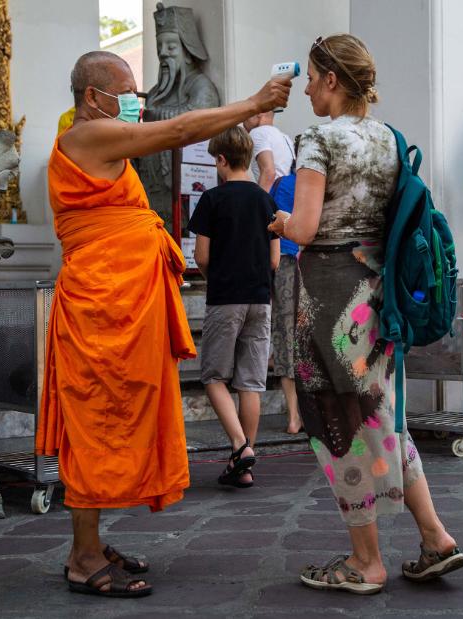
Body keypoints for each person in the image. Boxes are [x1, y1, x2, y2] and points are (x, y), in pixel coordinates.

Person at [37, 50, 288, 598]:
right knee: (94, 422)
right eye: (126, 91)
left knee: (114, 415)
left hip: (121, 304)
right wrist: (255, 104)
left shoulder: (103, 141)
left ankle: (92, 545)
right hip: (100, 306)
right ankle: (82, 557)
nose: (138, 101)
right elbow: (178, 130)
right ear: (92, 98)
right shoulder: (86, 137)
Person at [269, 34, 463, 595]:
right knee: (379, 412)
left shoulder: (317, 139)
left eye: (310, 76)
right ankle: (434, 538)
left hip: (328, 289)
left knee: (339, 419)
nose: (306, 86)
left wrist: (280, 222)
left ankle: (366, 561)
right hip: (375, 289)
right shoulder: (388, 137)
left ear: (332, 79)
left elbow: (305, 229)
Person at [188, 125, 280, 488]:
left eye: (215, 161)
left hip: (226, 297)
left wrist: (216, 277)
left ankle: (241, 448)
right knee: (251, 383)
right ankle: (246, 463)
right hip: (261, 299)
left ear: (222, 160)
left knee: (213, 377)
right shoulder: (265, 201)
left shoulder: (212, 199)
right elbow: (274, 261)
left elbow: (201, 255)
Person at [244, 112, 302, 434]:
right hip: (314, 267)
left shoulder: (278, 184)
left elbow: (272, 230)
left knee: (284, 330)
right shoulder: (314, 187)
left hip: (287, 262)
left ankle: (294, 415)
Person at [243, 110, 294, 192]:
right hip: (287, 196)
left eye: (246, 114)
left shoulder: (257, 133)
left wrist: (260, 203)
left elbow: (268, 172)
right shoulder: (285, 137)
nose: (243, 120)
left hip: (273, 197)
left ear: (259, 113)